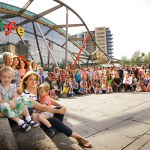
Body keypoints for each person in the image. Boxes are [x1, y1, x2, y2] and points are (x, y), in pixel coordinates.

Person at [20, 71, 92, 148]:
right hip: (36, 118)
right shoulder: (25, 95)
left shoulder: (37, 90)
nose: (33, 81)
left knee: (60, 109)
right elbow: (41, 107)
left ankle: (56, 128)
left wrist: (60, 105)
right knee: (56, 120)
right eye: (31, 79)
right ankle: (78, 137)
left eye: (35, 79)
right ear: (25, 81)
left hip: (44, 113)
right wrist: (58, 111)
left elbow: (47, 98)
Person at [0, 66, 39, 132]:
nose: (6, 79)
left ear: (12, 78)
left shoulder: (13, 86)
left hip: (12, 103)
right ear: (0, 77)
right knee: (4, 106)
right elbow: (0, 99)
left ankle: (28, 119)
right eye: (4, 77)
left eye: (9, 77)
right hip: (3, 104)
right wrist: (9, 103)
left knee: (22, 99)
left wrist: (12, 101)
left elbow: (15, 96)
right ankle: (20, 122)